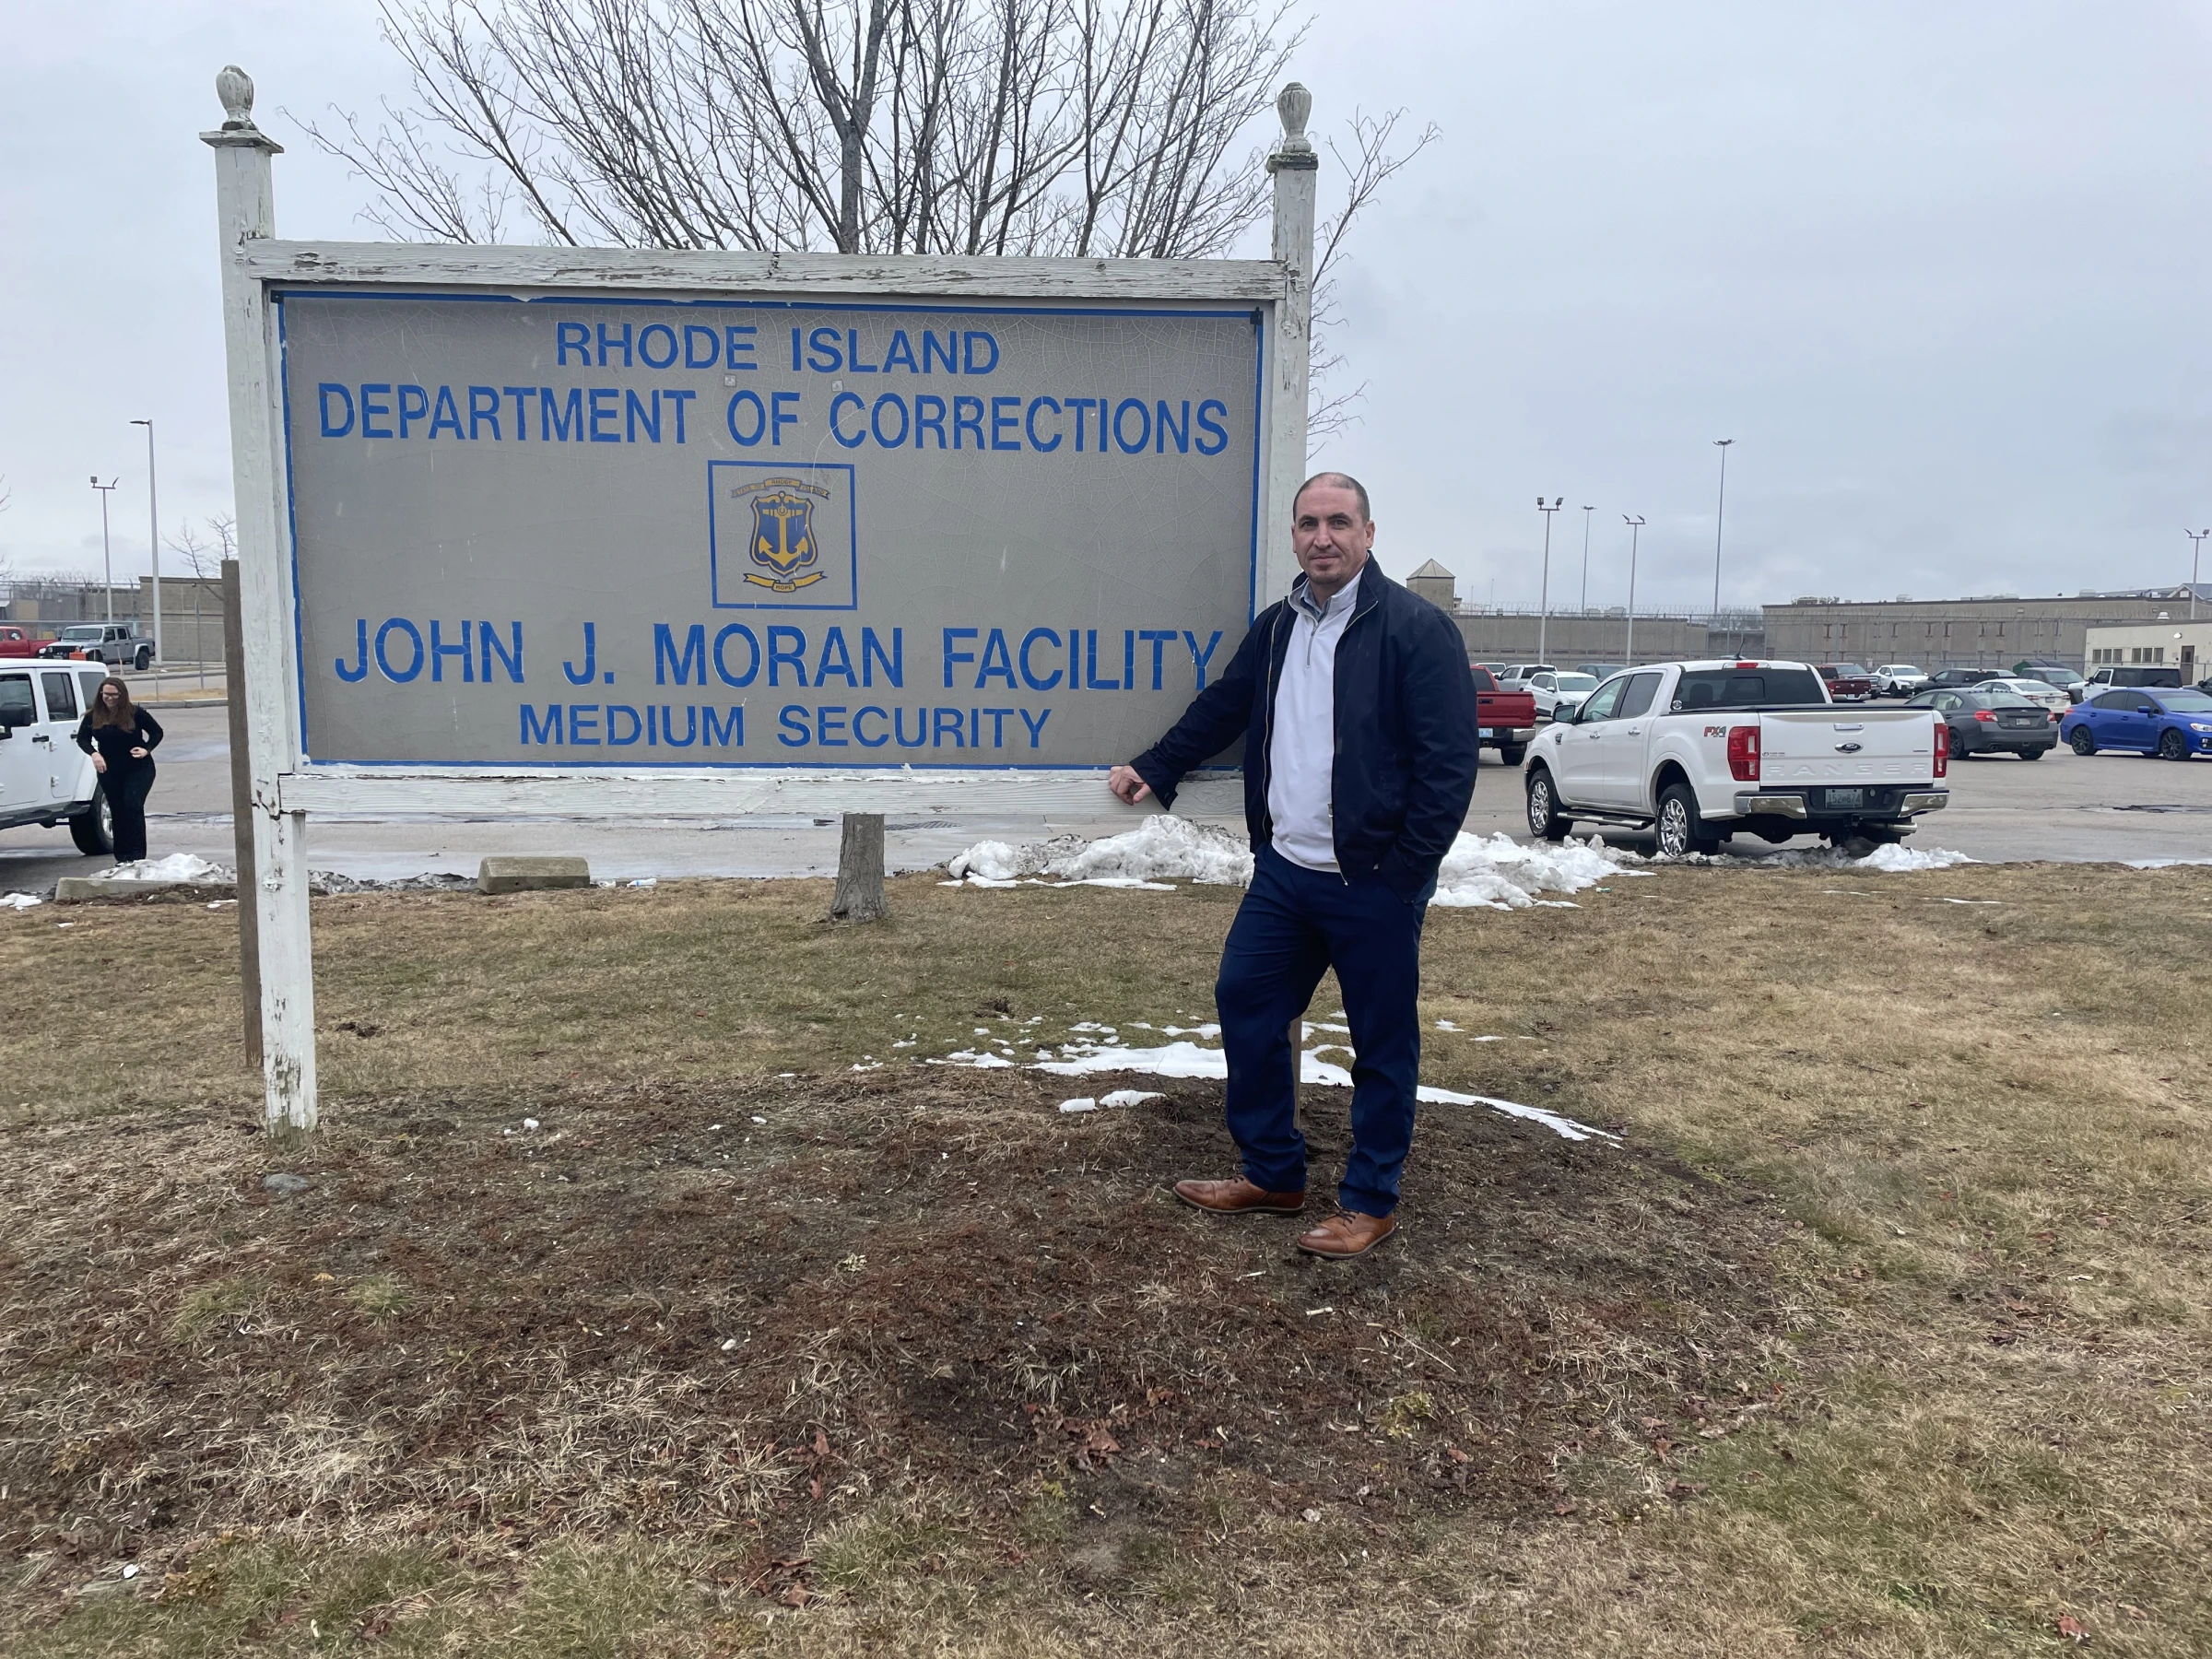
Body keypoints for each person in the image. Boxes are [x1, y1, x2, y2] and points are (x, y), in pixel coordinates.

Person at [1108, 473, 1478, 1260]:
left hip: (1374, 879)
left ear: (1369, 535)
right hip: (1285, 873)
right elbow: (1226, 704)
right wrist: (1158, 764)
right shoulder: (1278, 628)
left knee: (1381, 1042)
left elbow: (1449, 768)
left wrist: (1406, 874)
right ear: (1293, 535)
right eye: (1308, 523)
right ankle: (1273, 1173)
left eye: (1339, 523)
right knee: (1245, 1000)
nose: (1322, 538)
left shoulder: (1417, 630)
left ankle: (1370, 1200)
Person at [75, 677, 163, 864]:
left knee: (132, 805)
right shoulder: (93, 716)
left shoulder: (135, 713)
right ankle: (122, 857)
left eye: (114, 695)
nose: (110, 698)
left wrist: (146, 749)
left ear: (122, 695)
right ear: (101, 694)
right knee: (117, 809)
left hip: (138, 768)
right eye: (107, 694)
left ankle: (138, 856)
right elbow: (82, 739)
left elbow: (157, 732)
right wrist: (94, 754)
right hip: (109, 769)